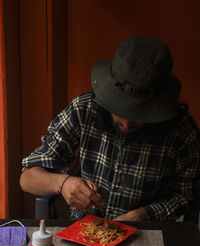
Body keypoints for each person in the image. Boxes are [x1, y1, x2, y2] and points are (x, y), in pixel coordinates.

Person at [20, 36, 200, 221]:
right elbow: (27, 178)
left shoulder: (181, 130)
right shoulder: (84, 109)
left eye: (140, 115)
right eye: (121, 109)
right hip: (85, 229)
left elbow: (187, 196)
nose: (127, 124)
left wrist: (142, 215)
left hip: (147, 233)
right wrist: (62, 182)